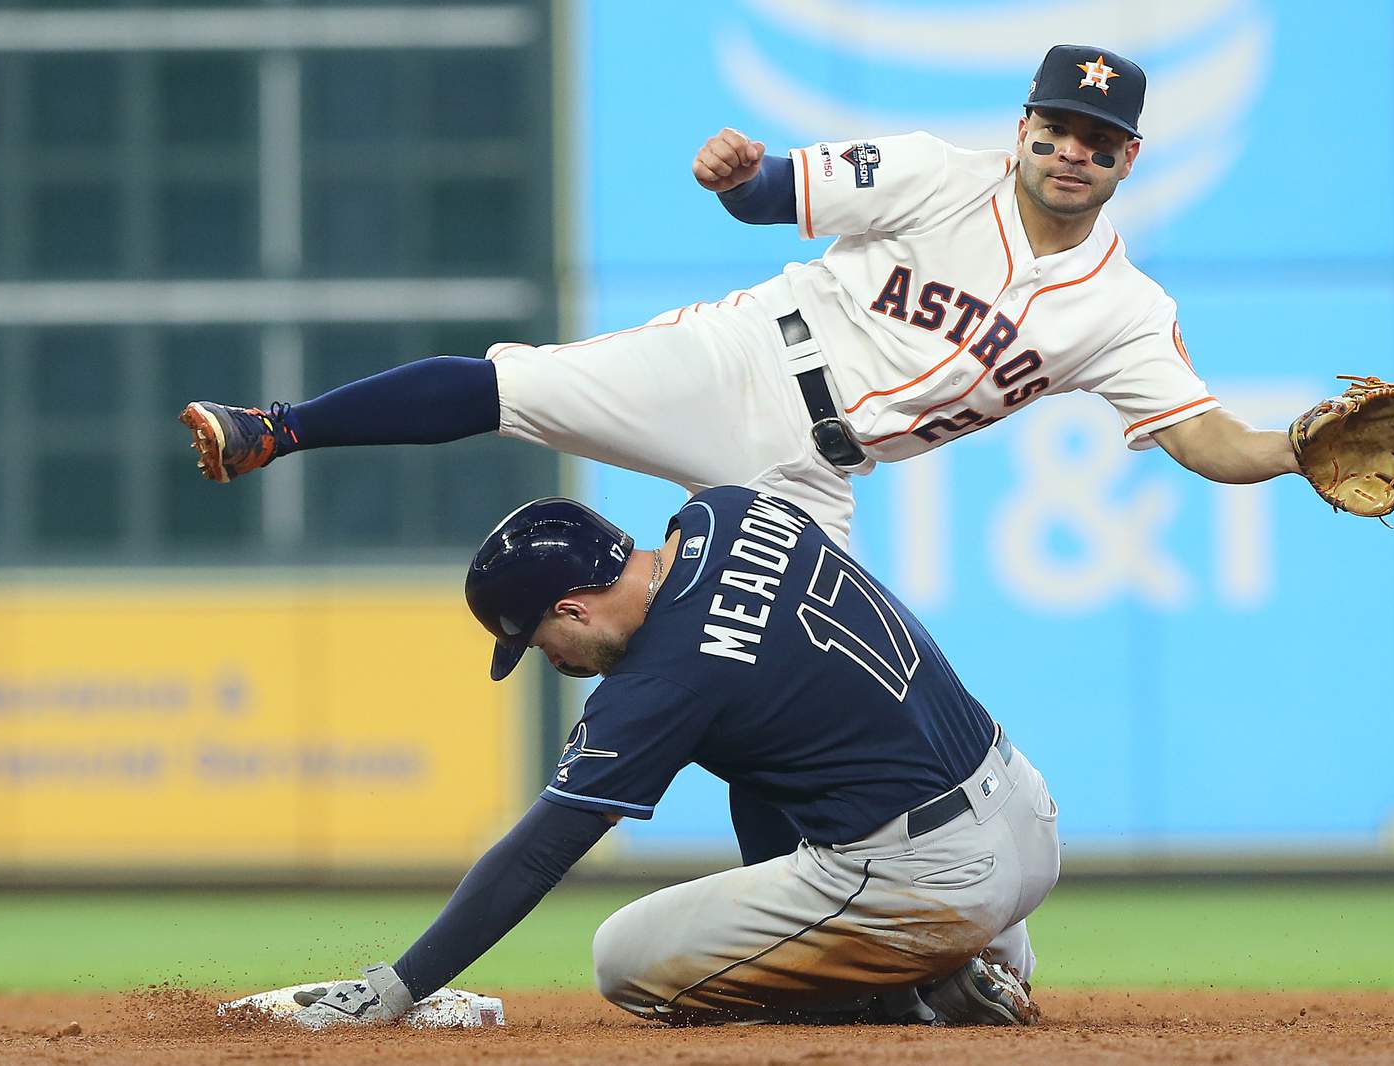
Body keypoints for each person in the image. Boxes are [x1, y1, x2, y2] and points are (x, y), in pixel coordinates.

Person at [180, 44, 1300, 549]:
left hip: (819, 477)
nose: (1071, 152)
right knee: (512, 385)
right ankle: (273, 428)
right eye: (1055, 129)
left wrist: (1297, 446)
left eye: (1097, 142)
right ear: (1023, 130)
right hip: (747, 359)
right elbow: (779, 193)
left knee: (814, 689)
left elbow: (1206, 440)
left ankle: (836, 932)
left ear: (1128, 162)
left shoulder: (1124, 309)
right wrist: (739, 178)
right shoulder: (931, 171)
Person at [292, 486, 1062, 1028]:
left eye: (539, 642)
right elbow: (767, 729)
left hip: (937, 882)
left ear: (572, 608)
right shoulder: (728, 510)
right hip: (1025, 816)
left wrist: (401, 985)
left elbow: (538, 854)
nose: (554, 661)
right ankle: (949, 961)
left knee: (622, 957)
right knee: (752, 756)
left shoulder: (660, 682)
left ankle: (916, 976)